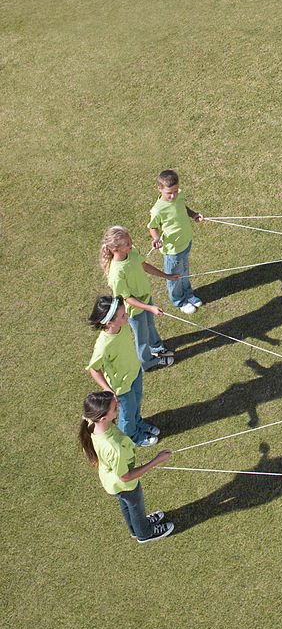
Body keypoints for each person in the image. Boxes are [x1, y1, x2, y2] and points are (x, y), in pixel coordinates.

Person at [80, 391, 174, 542]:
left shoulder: (92, 424)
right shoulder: (114, 448)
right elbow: (126, 476)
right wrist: (155, 461)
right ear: (103, 418)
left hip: (111, 482)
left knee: (127, 503)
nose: (119, 405)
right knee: (135, 506)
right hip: (124, 483)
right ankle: (144, 533)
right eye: (114, 408)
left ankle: (135, 529)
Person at [100, 225, 177, 371]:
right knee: (141, 336)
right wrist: (149, 308)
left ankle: (156, 347)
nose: (131, 244)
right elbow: (127, 298)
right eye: (127, 243)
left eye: (130, 240)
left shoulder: (132, 252)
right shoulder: (116, 274)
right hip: (134, 309)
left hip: (146, 299)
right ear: (116, 249)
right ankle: (146, 362)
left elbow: (144, 266)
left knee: (149, 325)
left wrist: (166, 276)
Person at [86, 296, 160, 447]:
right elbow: (94, 369)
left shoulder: (122, 325)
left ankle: (138, 423)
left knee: (137, 402)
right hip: (121, 387)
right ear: (109, 323)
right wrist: (108, 389)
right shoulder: (103, 346)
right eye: (122, 315)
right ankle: (132, 437)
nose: (127, 316)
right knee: (127, 414)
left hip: (135, 372)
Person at [148, 169, 205, 315]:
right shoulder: (158, 209)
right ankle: (179, 301)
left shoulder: (179, 196)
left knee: (185, 270)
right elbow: (153, 226)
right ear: (159, 189)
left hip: (185, 242)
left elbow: (183, 208)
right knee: (174, 276)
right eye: (169, 193)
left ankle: (188, 294)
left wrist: (194, 215)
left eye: (175, 191)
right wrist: (156, 238)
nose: (173, 195)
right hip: (172, 250)